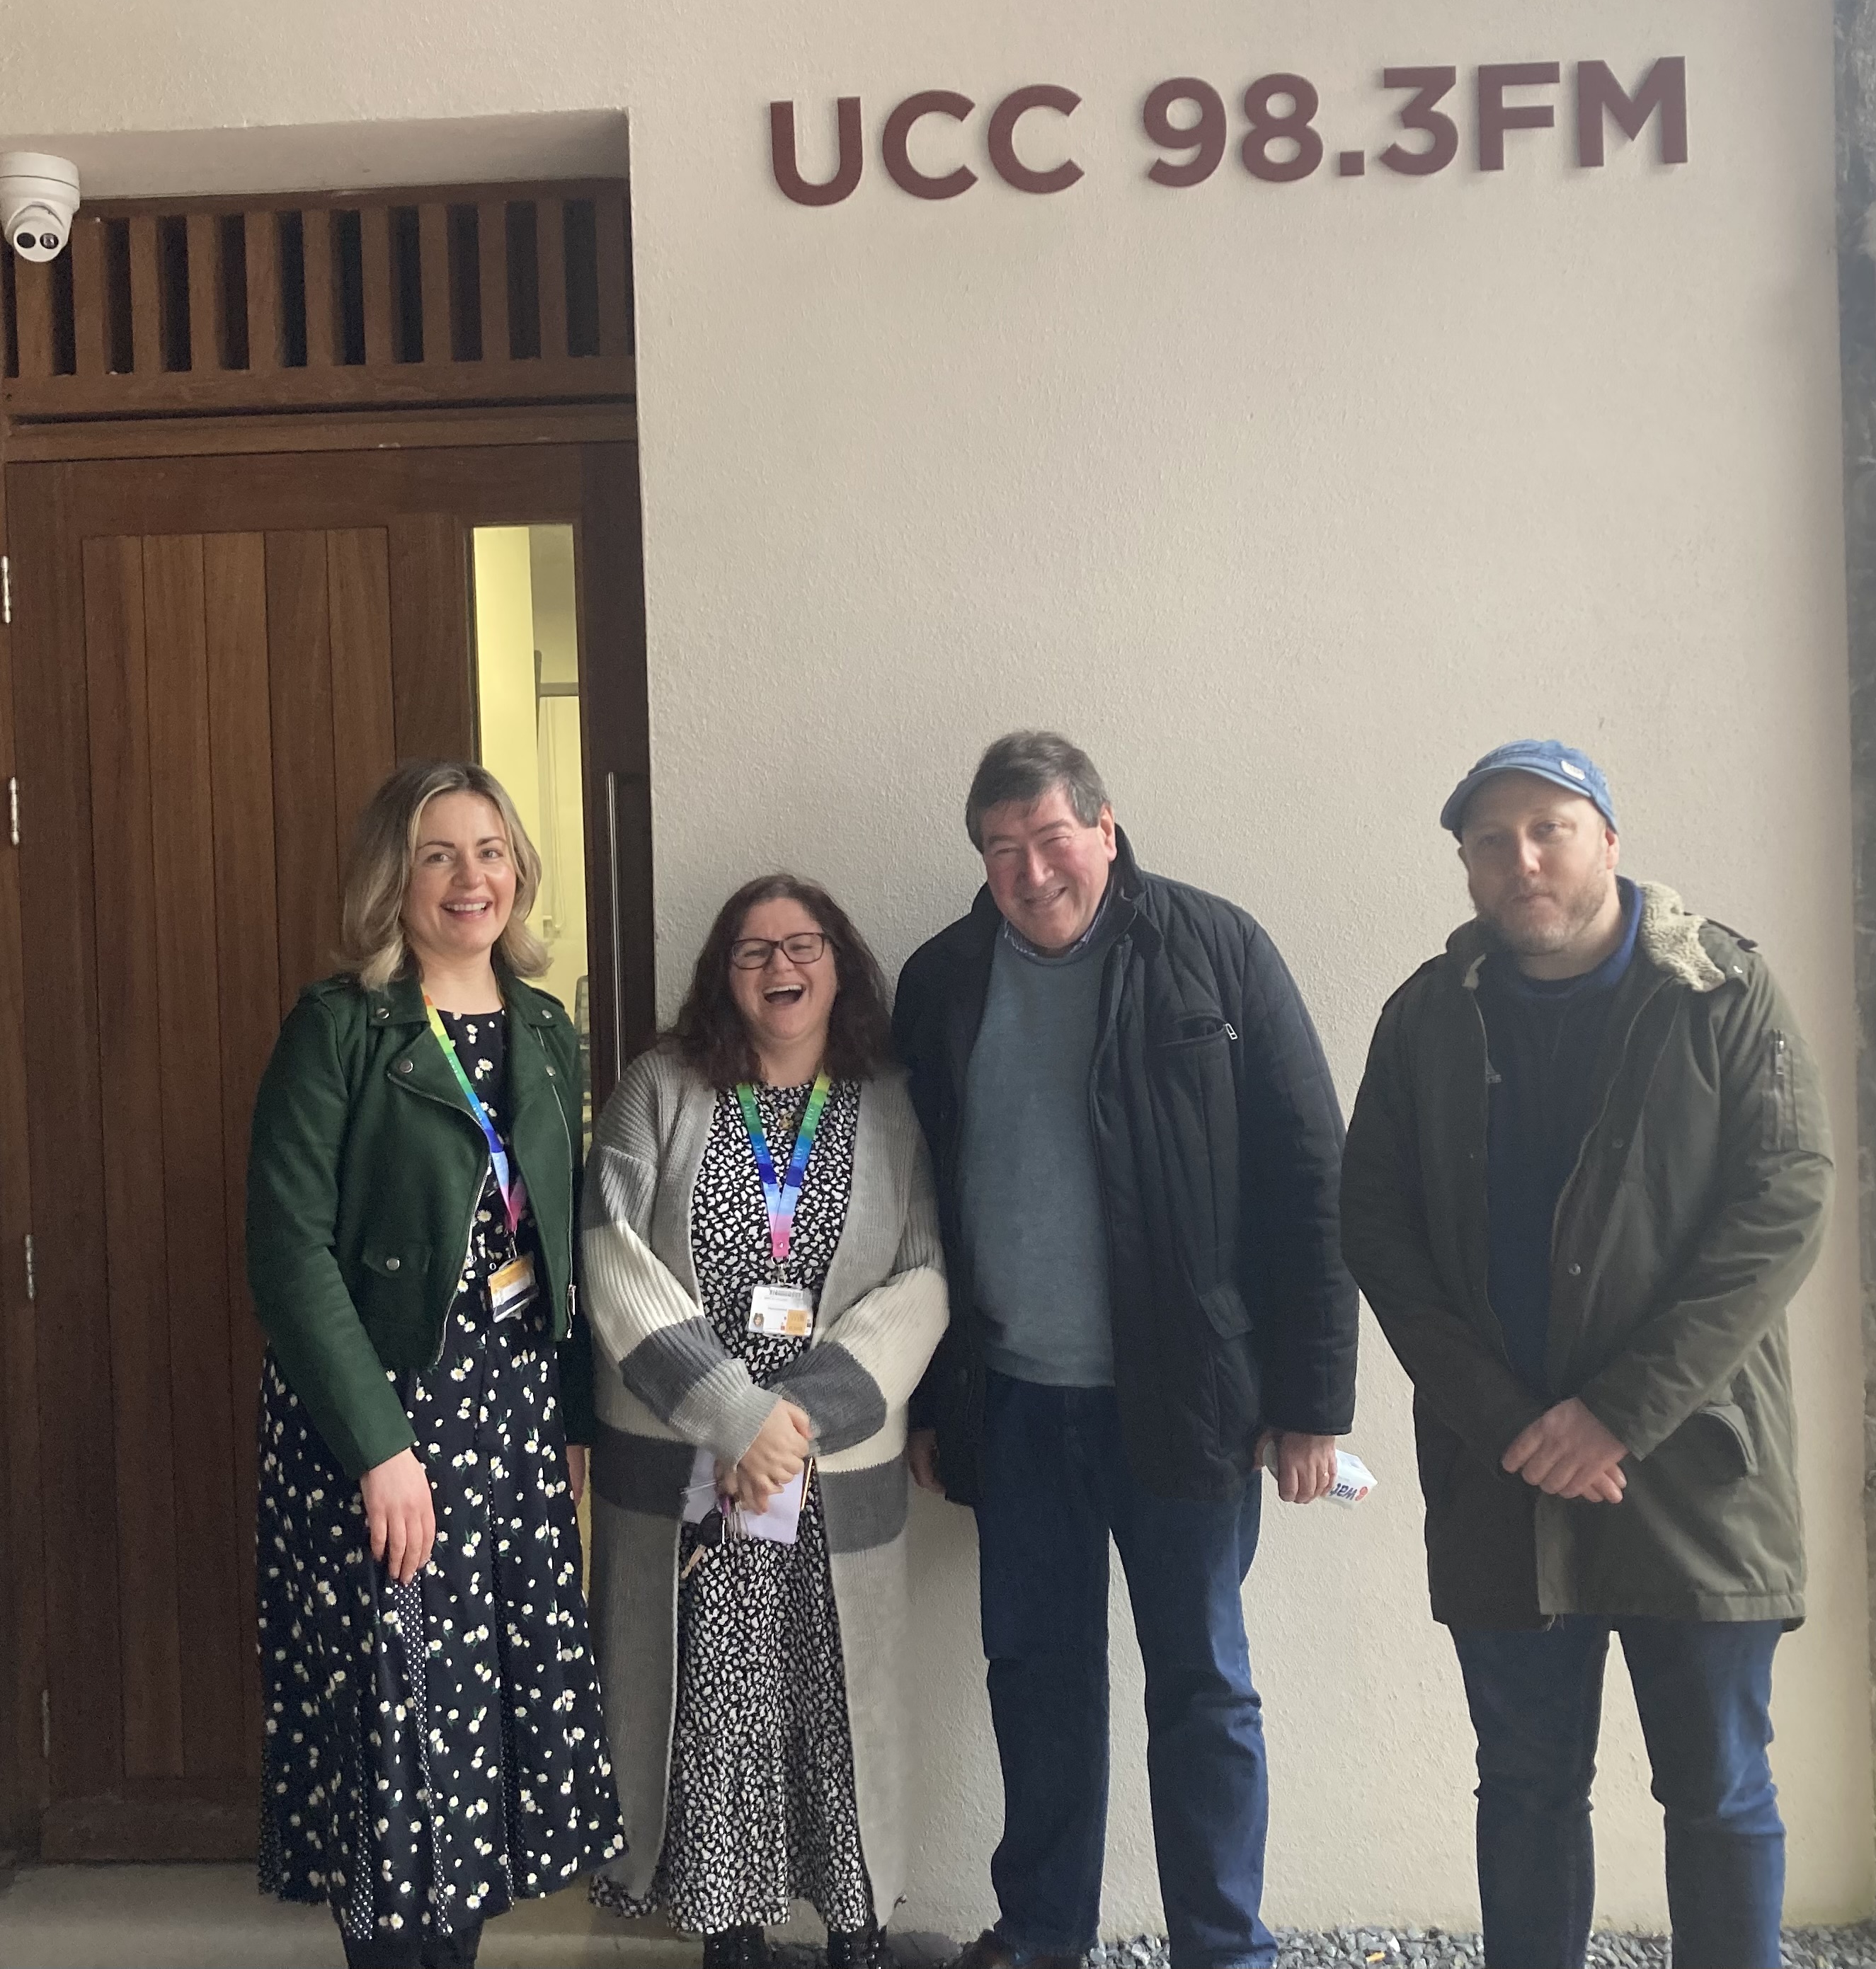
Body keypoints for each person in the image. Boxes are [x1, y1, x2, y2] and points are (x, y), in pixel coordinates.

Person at [1339, 739, 1833, 1969]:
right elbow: (1377, 1231)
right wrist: (1510, 1421)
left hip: (1695, 1473)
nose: (1523, 859)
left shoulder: (1720, 989)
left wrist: (1615, 1413)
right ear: (1465, 866)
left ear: (1608, 838)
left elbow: (1781, 1208)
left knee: (1718, 1792)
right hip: (1501, 1481)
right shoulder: (1424, 1019)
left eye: (1550, 828)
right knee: (1525, 1791)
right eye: (1492, 840)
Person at [893, 729, 1359, 1969]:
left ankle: (1223, 1944)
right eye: (1002, 850)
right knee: (1036, 1680)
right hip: (1018, 1405)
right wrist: (933, 1407)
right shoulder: (942, 981)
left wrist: (1314, 1401)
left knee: (1202, 1685)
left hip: (1189, 1400)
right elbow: (917, 1206)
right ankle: (1045, 1931)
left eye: (1052, 839)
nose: (1032, 872)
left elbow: (1312, 1178)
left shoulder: (1217, 950)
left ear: (1106, 827)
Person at [247, 759, 621, 1969]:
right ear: (391, 880)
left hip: (509, 1435)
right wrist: (380, 1449)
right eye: (438, 855)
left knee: (476, 1766)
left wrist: (571, 1430)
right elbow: (289, 1255)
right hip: (383, 1434)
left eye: (492, 850)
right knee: (399, 1757)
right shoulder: (341, 1027)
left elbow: (555, 1247)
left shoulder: (549, 1030)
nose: (474, 879)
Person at [581, 874, 948, 1969]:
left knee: (838, 1709)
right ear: (721, 974)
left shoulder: (889, 1099)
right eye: (752, 950)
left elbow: (924, 1275)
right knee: (714, 1713)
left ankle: (854, 1931)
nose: (780, 967)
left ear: (840, 963)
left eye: (803, 944)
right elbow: (608, 1254)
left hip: (830, 1469)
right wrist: (735, 1416)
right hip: (693, 1467)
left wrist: (797, 1420)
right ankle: (730, 1935)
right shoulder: (661, 1089)